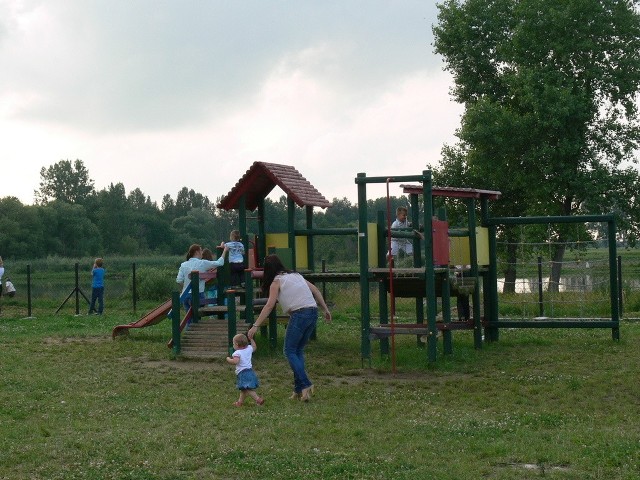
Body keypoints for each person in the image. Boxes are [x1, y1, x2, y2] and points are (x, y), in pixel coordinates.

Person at [247, 255, 332, 402]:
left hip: (299, 315)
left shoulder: (276, 281)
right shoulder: (296, 275)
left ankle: (306, 384)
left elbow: (269, 306)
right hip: (312, 312)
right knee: (297, 351)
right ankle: (299, 390)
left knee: (289, 350)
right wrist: (325, 309)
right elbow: (315, 290)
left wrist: (256, 325)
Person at [176, 243, 228, 309]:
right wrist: (225, 250)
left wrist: (186, 289)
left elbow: (179, 280)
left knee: (188, 317)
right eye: (201, 251)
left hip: (186, 295)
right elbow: (220, 263)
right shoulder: (202, 263)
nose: (202, 253)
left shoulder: (183, 264)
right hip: (198, 294)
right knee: (197, 316)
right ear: (197, 252)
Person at [226, 333, 265, 407]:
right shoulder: (249, 348)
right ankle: (240, 402)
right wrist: (252, 339)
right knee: (243, 389)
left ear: (237, 344)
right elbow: (254, 347)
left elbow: (235, 361)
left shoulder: (237, 353)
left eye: (233, 343)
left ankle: (258, 399)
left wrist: (228, 359)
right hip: (250, 371)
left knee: (247, 389)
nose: (233, 345)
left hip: (243, 373)